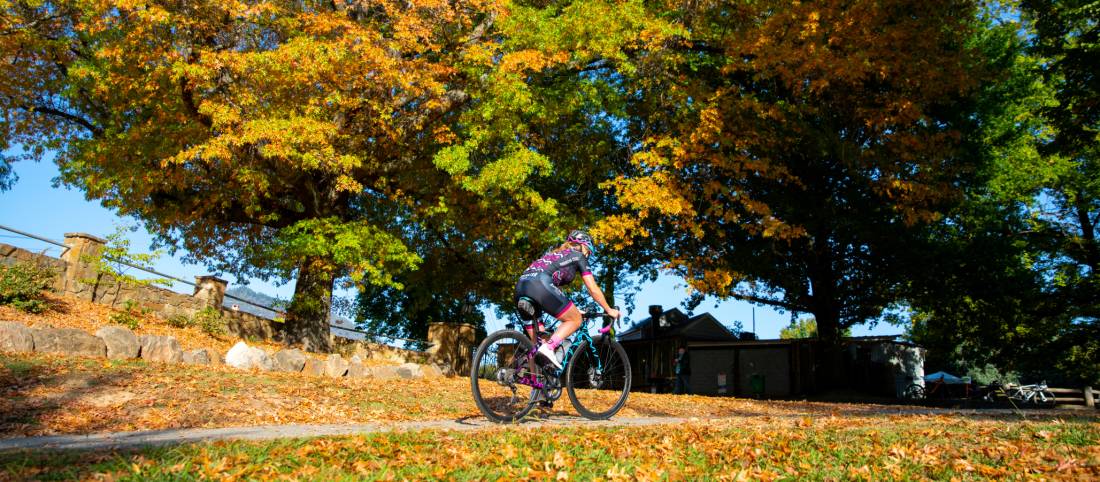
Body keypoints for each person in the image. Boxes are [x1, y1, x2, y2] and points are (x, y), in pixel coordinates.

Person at [514, 229, 620, 370]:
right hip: (540, 286)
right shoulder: (578, 256)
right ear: (584, 246)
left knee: (538, 345)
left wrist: (573, 309)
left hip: (520, 288)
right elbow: (593, 289)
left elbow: (555, 291)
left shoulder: (553, 256)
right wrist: (609, 309)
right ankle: (549, 348)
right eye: (589, 252)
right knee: (575, 320)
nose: (588, 256)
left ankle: (534, 381)